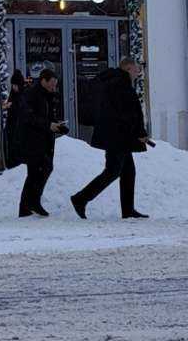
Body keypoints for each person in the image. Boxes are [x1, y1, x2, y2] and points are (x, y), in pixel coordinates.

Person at [71, 58, 152, 221]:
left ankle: (128, 210)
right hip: (118, 136)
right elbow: (129, 113)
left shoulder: (115, 82)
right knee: (113, 171)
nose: (138, 72)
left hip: (117, 135)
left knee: (128, 171)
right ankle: (81, 198)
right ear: (128, 68)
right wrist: (140, 132)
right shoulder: (120, 84)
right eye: (137, 69)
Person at [13, 67, 64, 216]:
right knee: (42, 168)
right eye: (52, 84)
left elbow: (47, 116)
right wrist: (48, 125)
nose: (54, 87)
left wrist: (58, 126)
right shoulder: (31, 94)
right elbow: (29, 117)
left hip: (42, 139)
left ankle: (25, 207)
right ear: (43, 80)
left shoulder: (47, 95)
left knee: (35, 171)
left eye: (55, 84)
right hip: (31, 139)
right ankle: (33, 203)